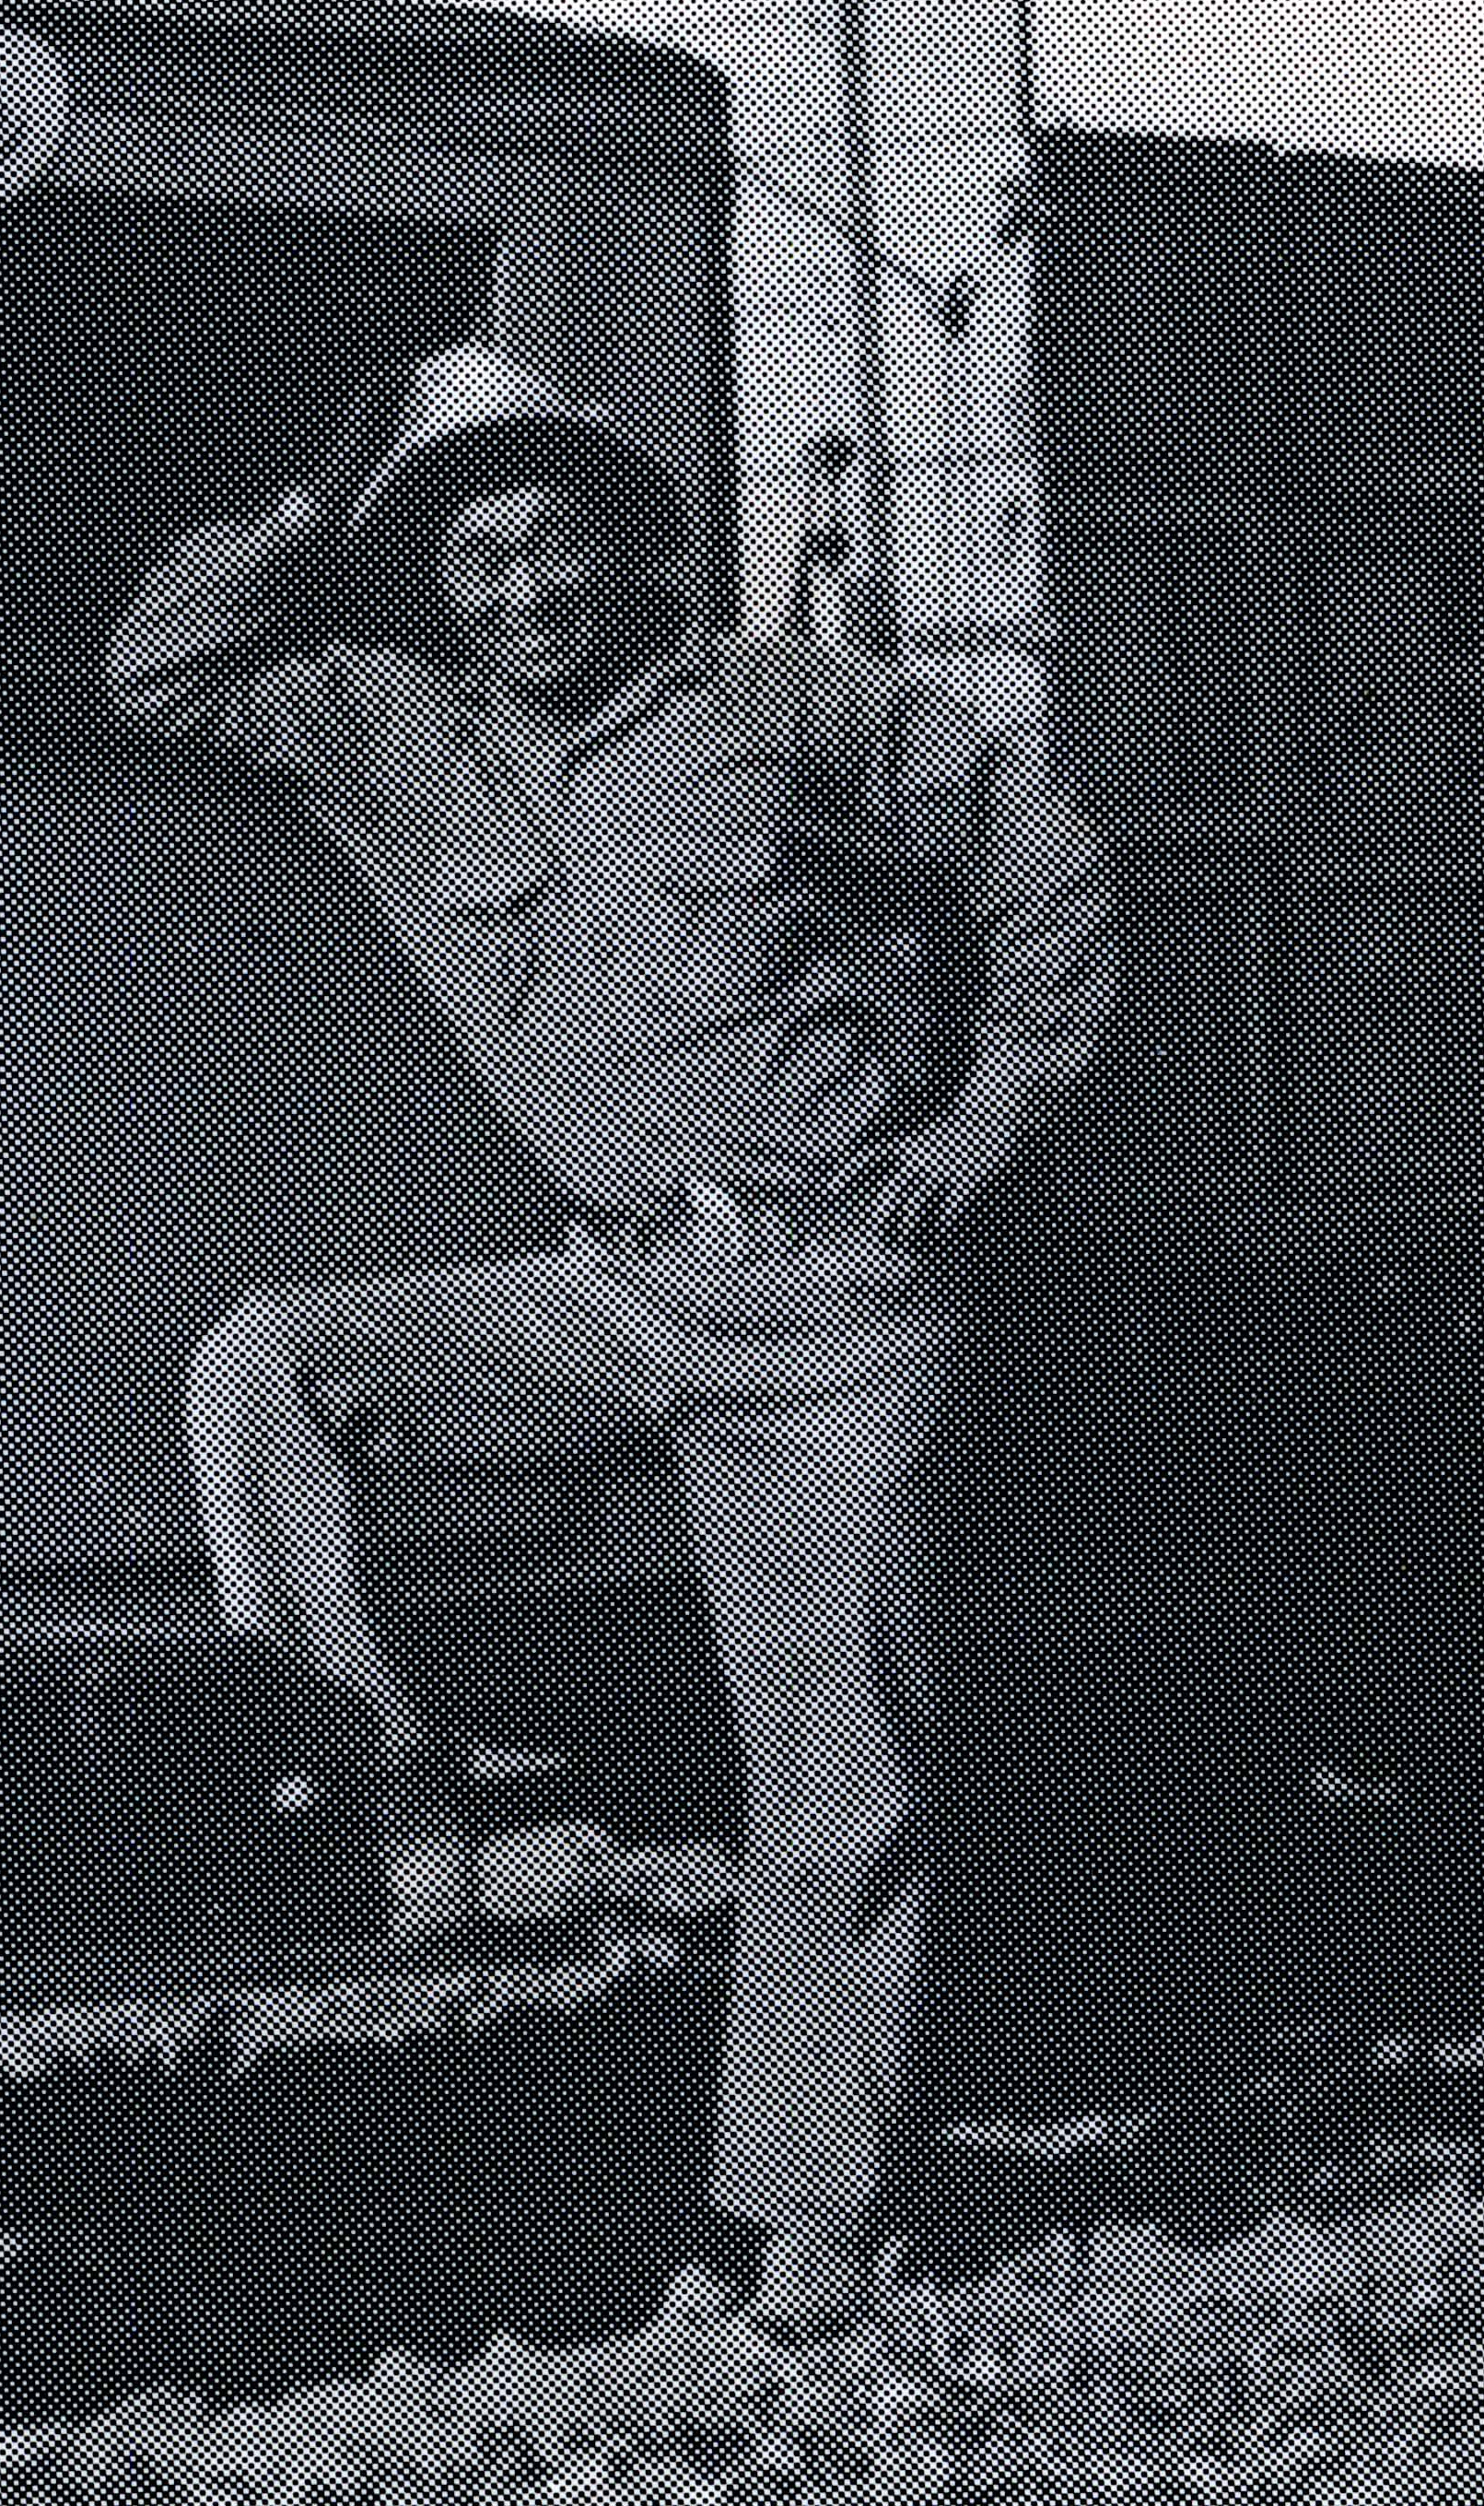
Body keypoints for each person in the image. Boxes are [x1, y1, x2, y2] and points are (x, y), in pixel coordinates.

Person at [112, 345, 1116, 2345]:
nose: (522, 591)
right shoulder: (393, 733)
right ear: (430, 579)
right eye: (475, 553)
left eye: (552, 542)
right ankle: (397, 1794)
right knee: (271, 1365)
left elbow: (1040, 859)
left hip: (837, 1304)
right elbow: (160, 669)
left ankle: (811, 2222)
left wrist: (984, 1121)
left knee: (831, 1775)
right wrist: (320, 502)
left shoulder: (781, 708)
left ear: (619, 545)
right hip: (620, 1286)